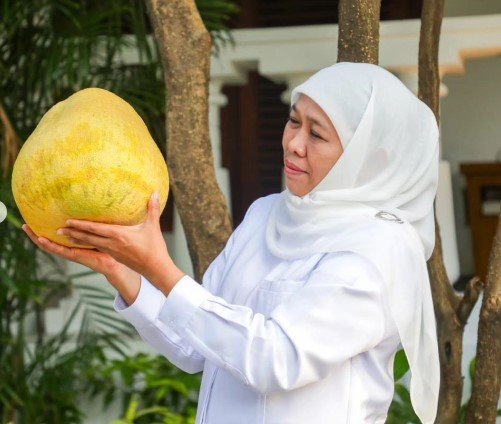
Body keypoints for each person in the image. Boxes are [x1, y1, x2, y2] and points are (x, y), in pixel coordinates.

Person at [23, 61, 440, 424]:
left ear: (365, 156)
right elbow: (193, 346)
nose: (293, 144)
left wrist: (160, 268)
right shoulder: (266, 215)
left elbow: (276, 359)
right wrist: (120, 268)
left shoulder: (381, 250)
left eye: (318, 135)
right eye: (294, 121)